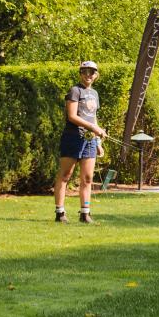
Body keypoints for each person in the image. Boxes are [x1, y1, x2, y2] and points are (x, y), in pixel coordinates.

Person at [54, 60, 106, 224]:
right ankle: (60, 212)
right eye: (85, 72)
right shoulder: (75, 91)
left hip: (89, 140)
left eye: (92, 72)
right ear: (80, 74)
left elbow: (93, 118)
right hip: (72, 137)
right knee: (65, 175)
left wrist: (98, 141)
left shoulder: (95, 94)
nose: (88, 75)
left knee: (88, 178)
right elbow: (72, 116)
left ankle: (85, 213)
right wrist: (92, 127)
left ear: (96, 75)